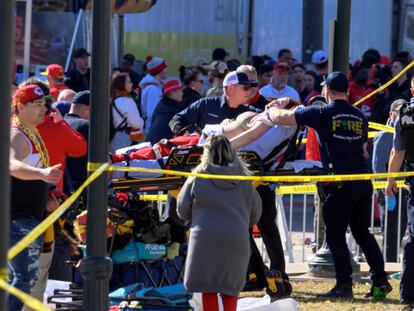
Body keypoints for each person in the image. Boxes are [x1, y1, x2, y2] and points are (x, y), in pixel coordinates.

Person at [255, 71, 391, 299]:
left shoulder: (322, 112)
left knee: (335, 236)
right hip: (362, 181)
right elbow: (363, 150)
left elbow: (283, 119)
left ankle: (344, 285)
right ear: (346, 92)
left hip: (339, 183)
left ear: (326, 91)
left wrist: (272, 109)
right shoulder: (359, 115)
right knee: (363, 234)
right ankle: (380, 280)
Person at [177, 135, 262, 311]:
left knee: (208, 287)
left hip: (205, 238)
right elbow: (255, 213)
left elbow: (182, 209)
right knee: (230, 288)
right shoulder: (245, 180)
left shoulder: (198, 176)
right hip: (236, 238)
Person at [9, 84, 63, 311]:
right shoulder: (16, 134)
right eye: (37, 104)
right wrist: (42, 174)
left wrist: (49, 195)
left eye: (44, 104)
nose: (44, 109)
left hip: (31, 217)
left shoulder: (32, 132)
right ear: (21, 107)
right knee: (24, 277)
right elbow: (11, 164)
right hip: (17, 218)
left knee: (23, 277)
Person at [385, 86, 414, 309]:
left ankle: (409, 296)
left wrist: (391, 179)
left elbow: (398, 152)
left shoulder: (405, 114)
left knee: (413, 239)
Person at [169, 71, 261, 135]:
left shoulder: (249, 111)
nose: (249, 92)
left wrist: (272, 107)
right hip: (204, 157)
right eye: (246, 87)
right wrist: (189, 135)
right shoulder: (206, 104)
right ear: (230, 88)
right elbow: (176, 120)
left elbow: (266, 115)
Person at [373, 99, 408, 262]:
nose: (401, 114)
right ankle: (389, 263)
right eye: (398, 111)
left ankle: (393, 261)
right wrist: (383, 187)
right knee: (390, 229)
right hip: (389, 190)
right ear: (391, 114)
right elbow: (378, 164)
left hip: (402, 188)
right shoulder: (385, 133)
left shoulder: (405, 130)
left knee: (401, 227)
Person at [109, 72, 144, 152]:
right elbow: (136, 123)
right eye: (128, 82)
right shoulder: (126, 101)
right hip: (124, 140)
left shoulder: (114, 99)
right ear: (121, 85)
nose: (131, 84)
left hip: (115, 138)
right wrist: (142, 121)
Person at [64, 91, 91, 192]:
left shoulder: (58, 123)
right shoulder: (86, 126)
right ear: (86, 109)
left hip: (59, 188)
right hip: (80, 190)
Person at [146, 79, 184, 144]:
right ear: (172, 93)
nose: (182, 93)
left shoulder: (163, 105)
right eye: (180, 90)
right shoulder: (172, 109)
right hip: (160, 147)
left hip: (155, 144)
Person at [139, 55, 168, 136]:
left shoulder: (155, 87)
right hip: (154, 131)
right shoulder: (153, 89)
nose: (167, 70)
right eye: (165, 68)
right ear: (160, 70)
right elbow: (153, 113)